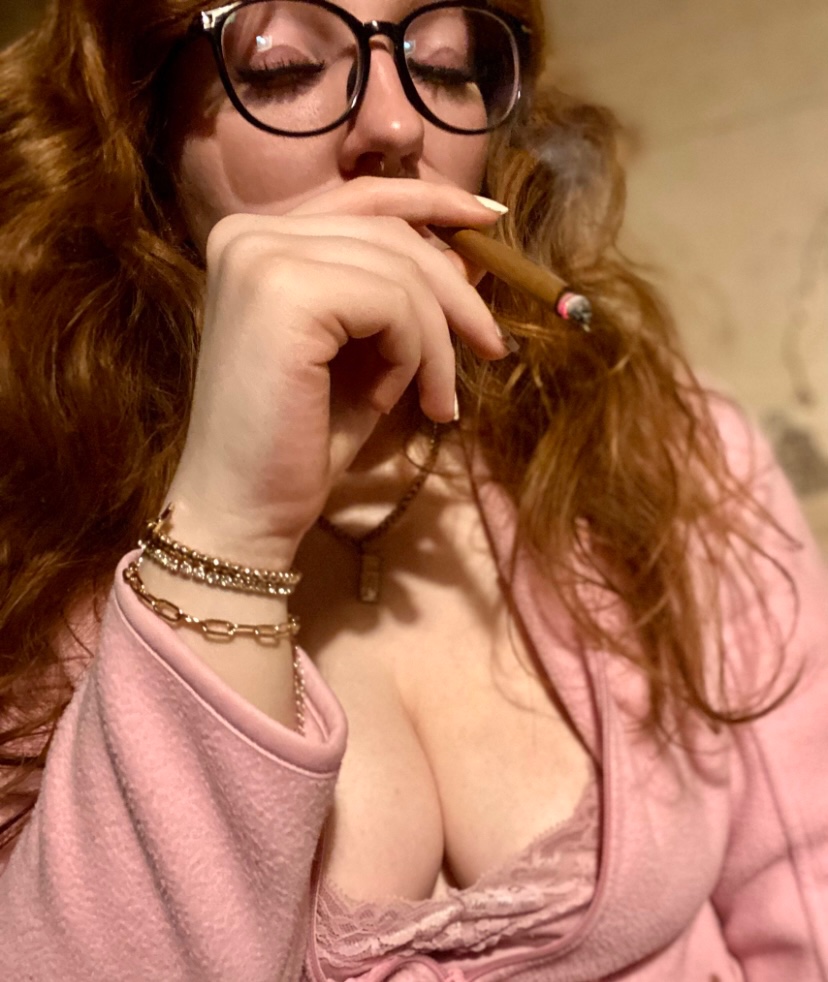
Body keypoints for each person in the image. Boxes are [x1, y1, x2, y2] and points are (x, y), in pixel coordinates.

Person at [0, 0, 826, 978]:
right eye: (282, 67)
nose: (395, 126)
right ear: (137, 134)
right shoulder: (28, 560)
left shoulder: (664, 448)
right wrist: (230, 532)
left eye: (440, 64)